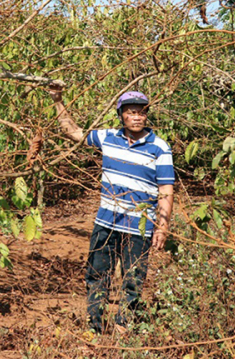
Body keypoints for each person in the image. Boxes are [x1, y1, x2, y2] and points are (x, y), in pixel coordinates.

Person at [48, 88, 175, 334]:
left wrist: (162, 225)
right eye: (131, 113)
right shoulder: (108, 137)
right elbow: (72, 131)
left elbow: (166, 189)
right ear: (122, 116)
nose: (137, 117)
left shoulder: (160, 147)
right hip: (106, 222)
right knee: (97, 275)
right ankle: (95, 327)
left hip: (140, 226)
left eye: (141, 113)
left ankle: (123, 328)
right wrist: (57, 100)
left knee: (133, 279)